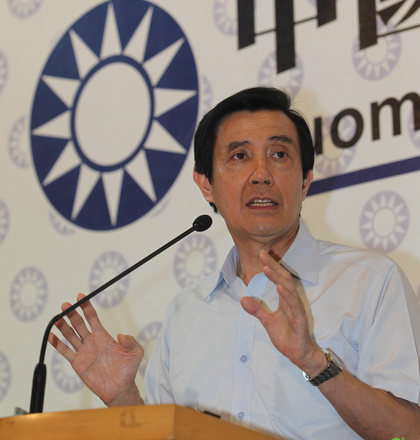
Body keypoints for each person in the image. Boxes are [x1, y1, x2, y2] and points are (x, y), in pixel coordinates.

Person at [49, 86, 420, 440]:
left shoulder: (370, 282)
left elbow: (409, 433)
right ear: (206, 184)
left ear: (305, 180)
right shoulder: (185, 313)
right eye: (240, 156)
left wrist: (315, 362)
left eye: (279, 154)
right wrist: (123, 400)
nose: (261, 174)